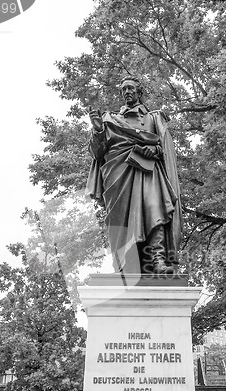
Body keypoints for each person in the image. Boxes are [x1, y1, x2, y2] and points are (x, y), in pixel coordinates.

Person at [86, 76, 182, 275]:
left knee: (155, 209)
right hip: (117, 174)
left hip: (148, 171)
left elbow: (165, 148)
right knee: (122, 220)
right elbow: (97, 153)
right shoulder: (110, 120)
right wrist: (97, 129)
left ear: (140, 92)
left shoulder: (154, 118)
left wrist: (154, 151)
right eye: (123, 90)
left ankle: (158, 260)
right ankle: (126, 265)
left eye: (130, 88)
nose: (127, 92)